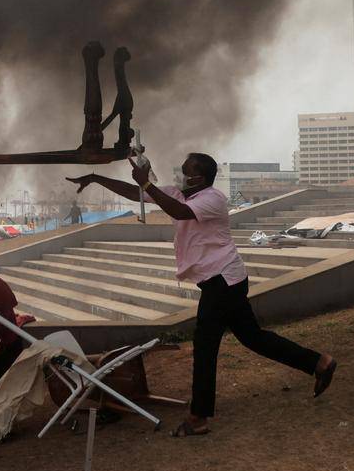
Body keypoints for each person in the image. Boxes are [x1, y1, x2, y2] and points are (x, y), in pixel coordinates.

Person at [67, 153, 335, 437]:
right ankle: (319, 362)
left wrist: (147, 184)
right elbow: (136, 194)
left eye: (187, 172)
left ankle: (198, 417)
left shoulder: (213, 199)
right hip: (222, 281)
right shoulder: (179, 194)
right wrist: (98, 178)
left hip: (223, 280)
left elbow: (178, 212)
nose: (182, 176)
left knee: (205, 345)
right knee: (253, 338)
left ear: (201, 177)